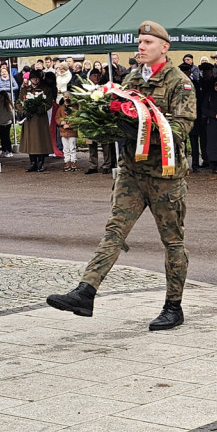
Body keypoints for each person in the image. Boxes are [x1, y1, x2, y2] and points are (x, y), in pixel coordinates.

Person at [47, 21, 197, 330]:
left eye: (147, 42)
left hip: (164, 176)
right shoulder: (130, 78)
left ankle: (173, 306)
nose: (140, 46)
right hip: (131, 172)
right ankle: (85, 292)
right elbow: (116, 113)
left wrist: (144, 129)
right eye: (139, 41)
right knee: (114, 231)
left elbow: (181, 129)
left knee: (172, 241)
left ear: (164, 48)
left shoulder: (179, 83)